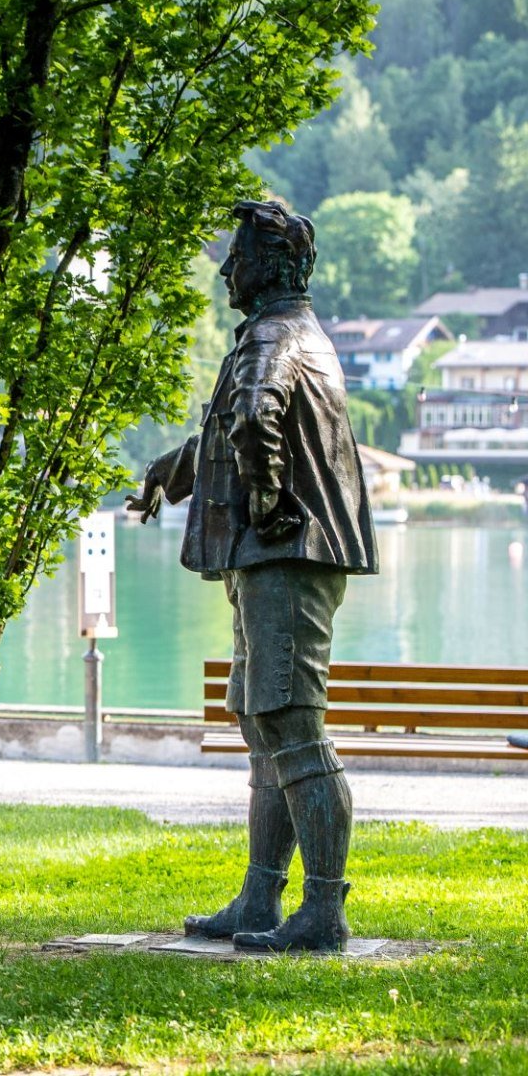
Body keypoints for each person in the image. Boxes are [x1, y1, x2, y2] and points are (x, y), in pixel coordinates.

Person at [127, 200, 377, 953]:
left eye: (237, 255)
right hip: (270, 557)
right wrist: (170, 472)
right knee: (264, 727)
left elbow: (254, 418)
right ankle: (260, 897)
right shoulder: (285, 335)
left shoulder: (275, 337)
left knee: (293, 729)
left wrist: (265, 502)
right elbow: (227, 426)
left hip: (285, 556)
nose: (227, 268)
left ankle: (324, 912)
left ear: (272, 263)